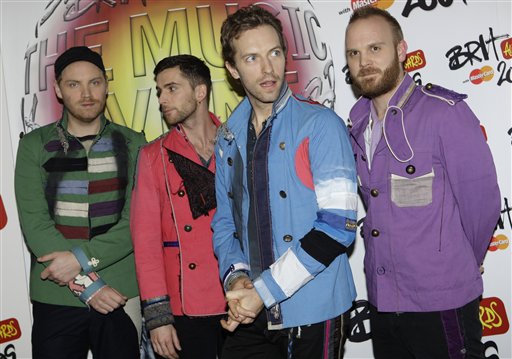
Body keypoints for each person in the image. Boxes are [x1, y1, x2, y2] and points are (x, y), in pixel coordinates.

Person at [345, 7, 500, 359]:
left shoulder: (443, 112)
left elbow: (482, 204)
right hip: (383, 303)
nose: (363, 61)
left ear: (401, 51)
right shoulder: (356, 124)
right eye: (354, 53)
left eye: (375, 48)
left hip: (441, 302)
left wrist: (458, 262)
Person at [212, 5, 358, 359]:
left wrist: (262, 291)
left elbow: (339, 227)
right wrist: (237, 280)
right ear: (232, 69)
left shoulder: (321, 125)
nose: (268, 69)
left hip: (314, 309)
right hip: (251, 311)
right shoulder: (228, 136)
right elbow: (225, 222)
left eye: (274, 53)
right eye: (251, 58)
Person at [14, 46, 146, 358]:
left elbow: (136, 221)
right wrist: (88, 286)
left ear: (106, 85)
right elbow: (35, 224)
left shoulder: (134, 144)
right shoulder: (34, 145)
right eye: (74, 84)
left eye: (95, 82)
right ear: (58, 89)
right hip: (57, 293)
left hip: (120, 293)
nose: (86, 94)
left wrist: (81, 261)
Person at [130, 55, 226, 359]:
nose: (162, 99)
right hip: (186, 307)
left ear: (200, 92)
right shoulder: (152, 156)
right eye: (159, 91)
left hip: (241, 297)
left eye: (171, 88)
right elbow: (146, 245)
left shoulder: (236, 141)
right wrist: (158, 318)